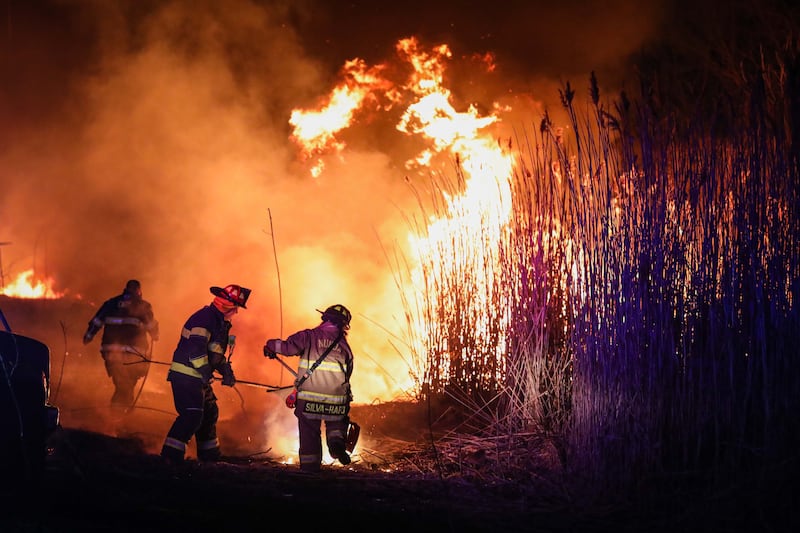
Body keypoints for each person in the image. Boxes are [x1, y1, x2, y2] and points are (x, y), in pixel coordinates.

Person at [160, 284, 250, 464]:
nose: (237, 313)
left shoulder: (218, 322)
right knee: (192, 414)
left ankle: (209, 459)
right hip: (187, 376)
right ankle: (169, 459)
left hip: (197, 376)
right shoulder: (205, 318)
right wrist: (206, 372)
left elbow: (214, 354)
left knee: (209, 413)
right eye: (236, 308)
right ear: (227, 305)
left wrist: (226, 371)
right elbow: (196, 351)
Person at [263, 304, 354, 472]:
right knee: (336, 424)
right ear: (343, 325)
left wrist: (270, 345)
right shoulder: (345, 347)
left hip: (310, 399)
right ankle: (336, 444)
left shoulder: (308, 336)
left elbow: (287, 348)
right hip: (336, 400)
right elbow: (348, 373)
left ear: (324, 318)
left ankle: (310, 469)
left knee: (310, 433)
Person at [82, 279, 159, 412]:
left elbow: (97, 320)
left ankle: (121, 413)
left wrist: (89, 336)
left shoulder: (111, 303)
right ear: (139, 291)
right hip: (134, 355)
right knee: (126, 385)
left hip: (112, 353)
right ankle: (117, 415)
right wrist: (155, 335)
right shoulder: (143, 306)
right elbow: (151, 326)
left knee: (122, 384)